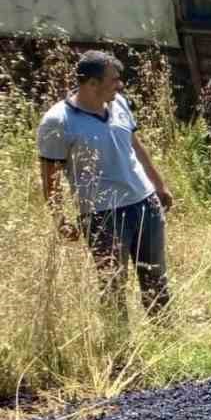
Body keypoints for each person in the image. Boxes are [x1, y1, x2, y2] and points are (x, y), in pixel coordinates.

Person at [36, 50, 174, 316]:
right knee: (113, 284)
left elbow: (135, 145)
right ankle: (119, 347)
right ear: (92, 84)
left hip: (145, 203)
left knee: (155, 276)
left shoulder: (119, 103)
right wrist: (60, 219)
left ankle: (164, 335)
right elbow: (49, 177)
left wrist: (158, 184)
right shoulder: (58, 122)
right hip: (103, 215)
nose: (119, 85)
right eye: (113, 80)